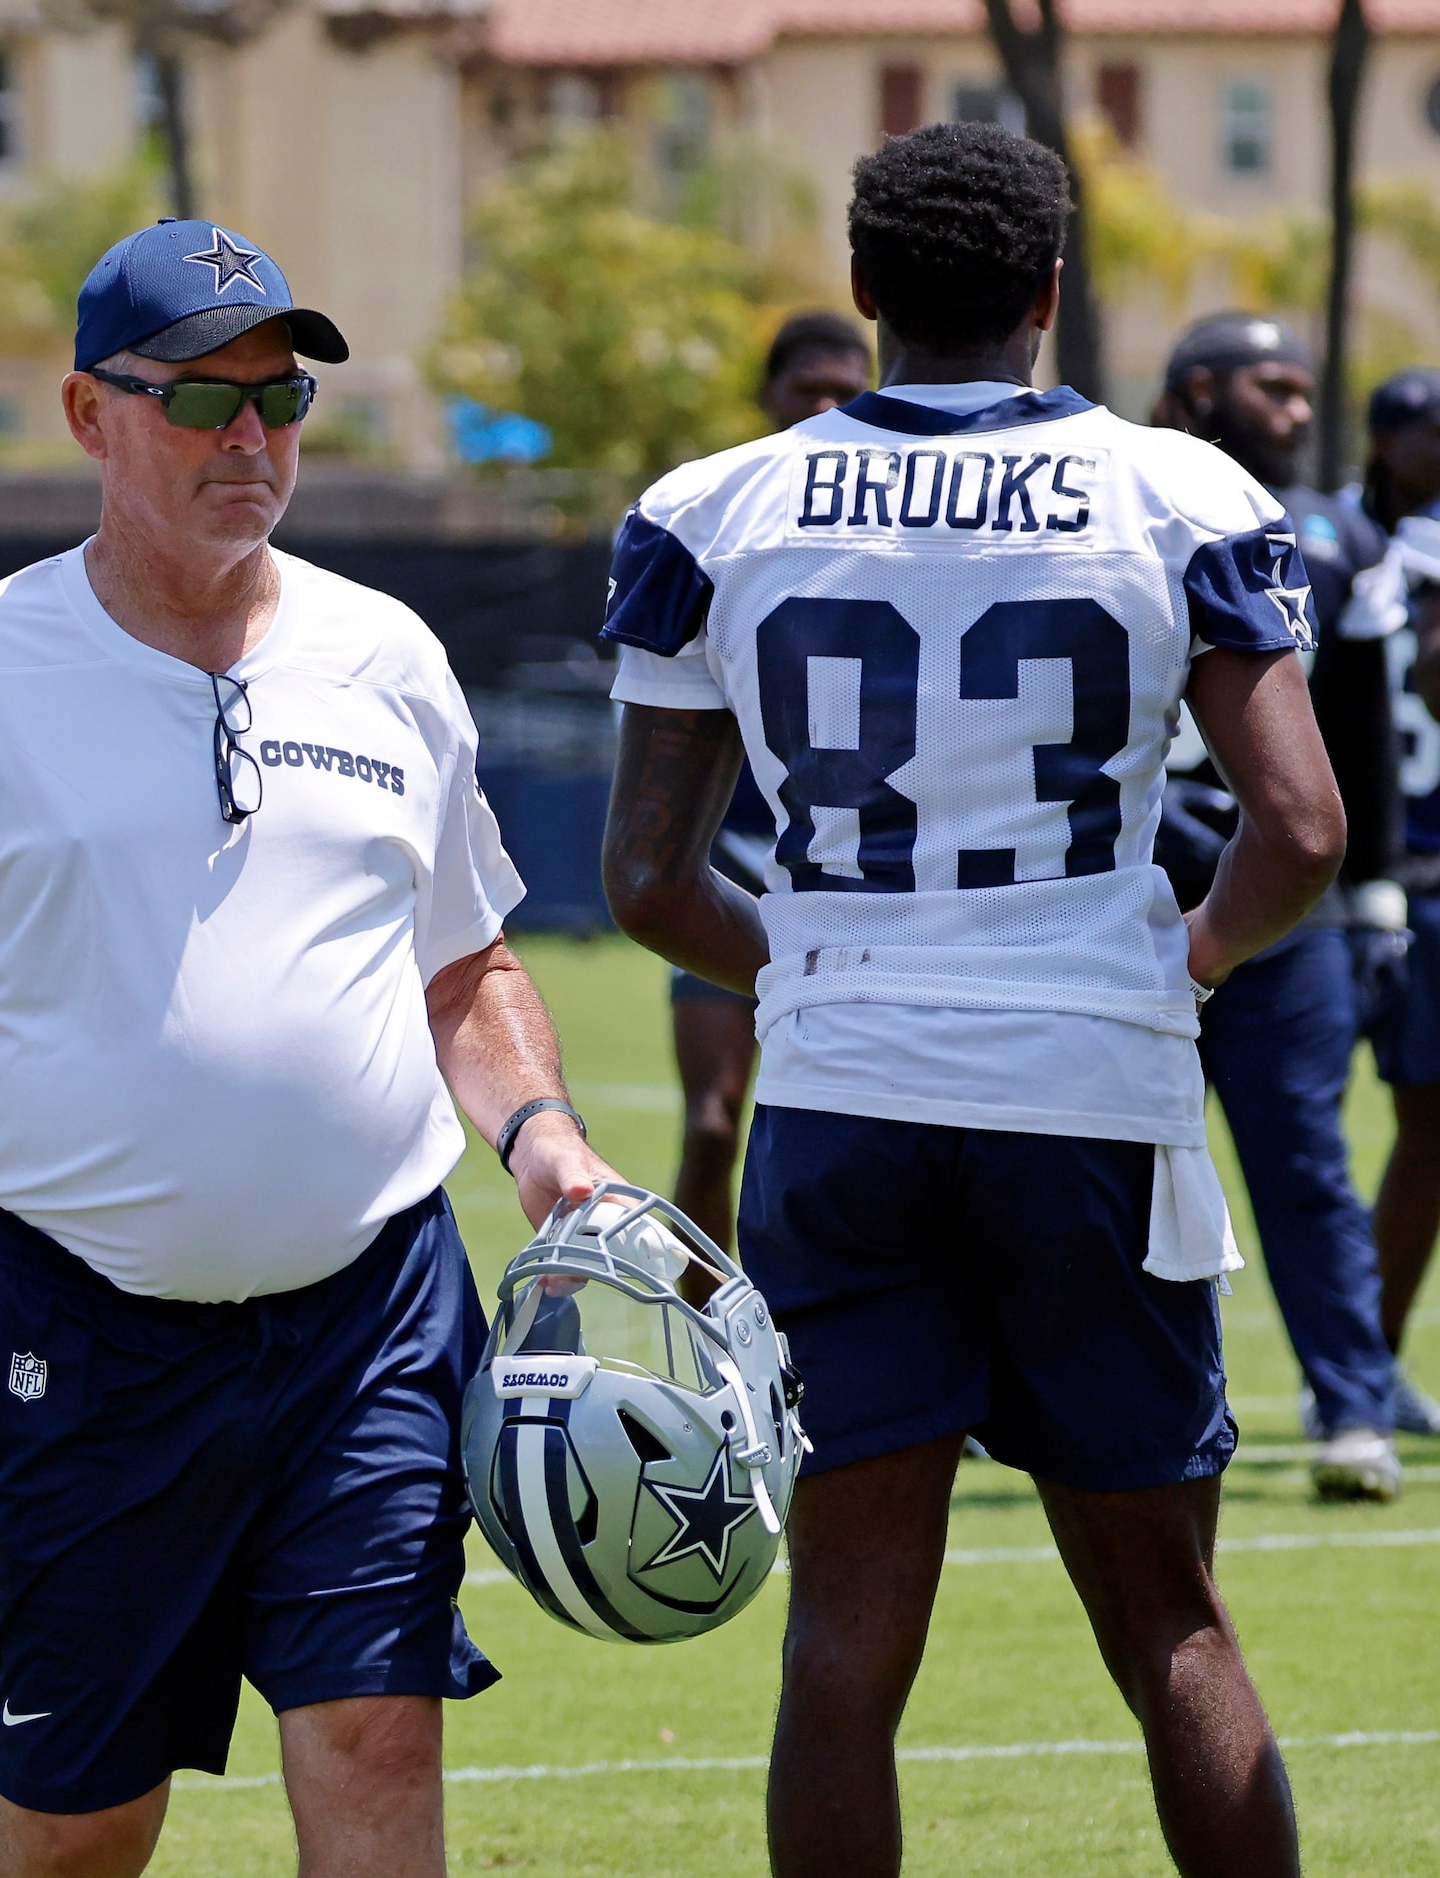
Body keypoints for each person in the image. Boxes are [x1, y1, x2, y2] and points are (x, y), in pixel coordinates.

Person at [0, 218, 614, 1878]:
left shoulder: (388, 657)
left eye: (280, 397)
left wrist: (542, 1135)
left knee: (374, 1740)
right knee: (81, 1820)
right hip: (68, 1337)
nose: (250, 438)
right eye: (199, 400)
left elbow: (463, 960)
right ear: (85, 413)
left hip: (369, 1316)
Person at [602, 123, 1322, 1875]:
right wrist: (1192, 952)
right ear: (1048, 297)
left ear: (862, 292)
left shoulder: (710, 508)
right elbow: (1297, 826)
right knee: (1170, 1621)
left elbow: (643, 876)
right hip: (1088, 1083)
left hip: (844, 1096)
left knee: (842, 1643)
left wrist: (850, 963)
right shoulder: (1180, 492)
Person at [1150, 314, 1407, 1499]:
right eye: (1275, 388)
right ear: (1200, 388)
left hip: (1283, 912)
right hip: (1124, 904)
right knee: (1105, 1167)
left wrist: (1377, 893)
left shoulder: (1334, 539)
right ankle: (1072, 1400)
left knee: (1304, 1160)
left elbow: (1354, 729)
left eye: (1309, 391)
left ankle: (1351, 1407)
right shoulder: (1117, 496)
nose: (1300, 412)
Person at [668, 313, 871, 1251]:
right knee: (715, 1120)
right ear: (768, 398)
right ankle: (710, 1335)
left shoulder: (900, 533)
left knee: (859, 1125)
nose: (827, 408)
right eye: (807, 390)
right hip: (739, 858)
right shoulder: (722, 518)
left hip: (858, 876)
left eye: (847, 390)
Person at [1354, 366, 1440, 1434]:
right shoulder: (1357, 545)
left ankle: (1363, 1361)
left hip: (1423, 870)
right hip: (1373, 871)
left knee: (1427, 1132)